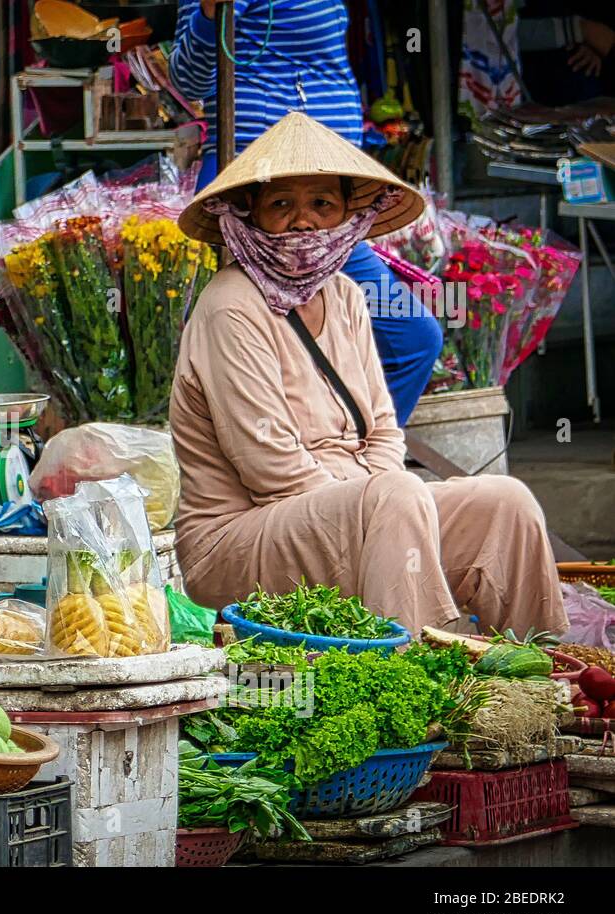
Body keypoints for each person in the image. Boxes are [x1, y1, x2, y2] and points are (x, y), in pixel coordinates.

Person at [169, 112, 568, 637]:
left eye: (322, 205)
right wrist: (377, 501)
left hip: (349, 506)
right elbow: (272, 471)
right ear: (251, 216)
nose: (304, 221)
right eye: (282, 205)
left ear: (345, 221)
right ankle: (418, 675)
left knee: (504, 502)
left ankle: (537, 675)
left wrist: (380, 496)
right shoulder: (230, 308)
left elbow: (383, 430)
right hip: (238, 540)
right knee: (395, 496)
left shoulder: (348, 296)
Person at [171, 0, 441, 424]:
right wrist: (210, 15)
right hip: (256, 199)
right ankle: (277, 471)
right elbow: (188, 78)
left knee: (413, 339)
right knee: (226, 347)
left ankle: (352, 463)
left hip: (327, 209)